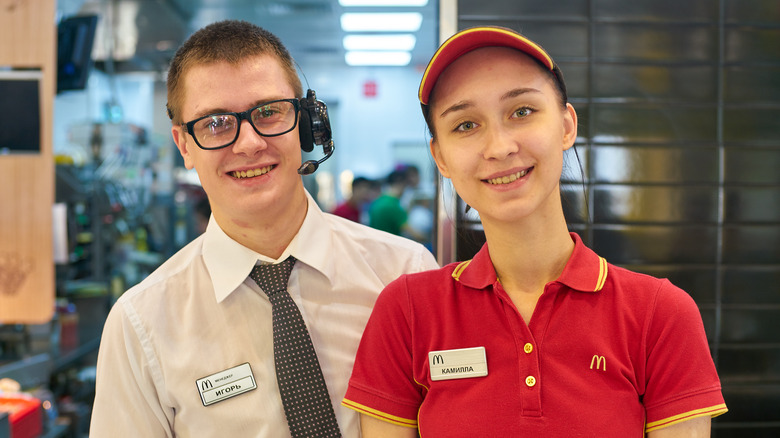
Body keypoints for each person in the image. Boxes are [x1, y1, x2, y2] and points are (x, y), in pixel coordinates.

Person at [342, 26, 727, 437]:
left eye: (522, 111)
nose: (499, 147)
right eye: (466, 125)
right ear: (440, 158)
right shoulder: (406, 311)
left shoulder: (660, 314)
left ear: (565, 125)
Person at [90, 20, 438, 437]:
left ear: (307, 124)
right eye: (216, 123)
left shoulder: (405, 273)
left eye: (269, 112)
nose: (249, 143)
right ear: (184, 145)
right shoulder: (140, 324)